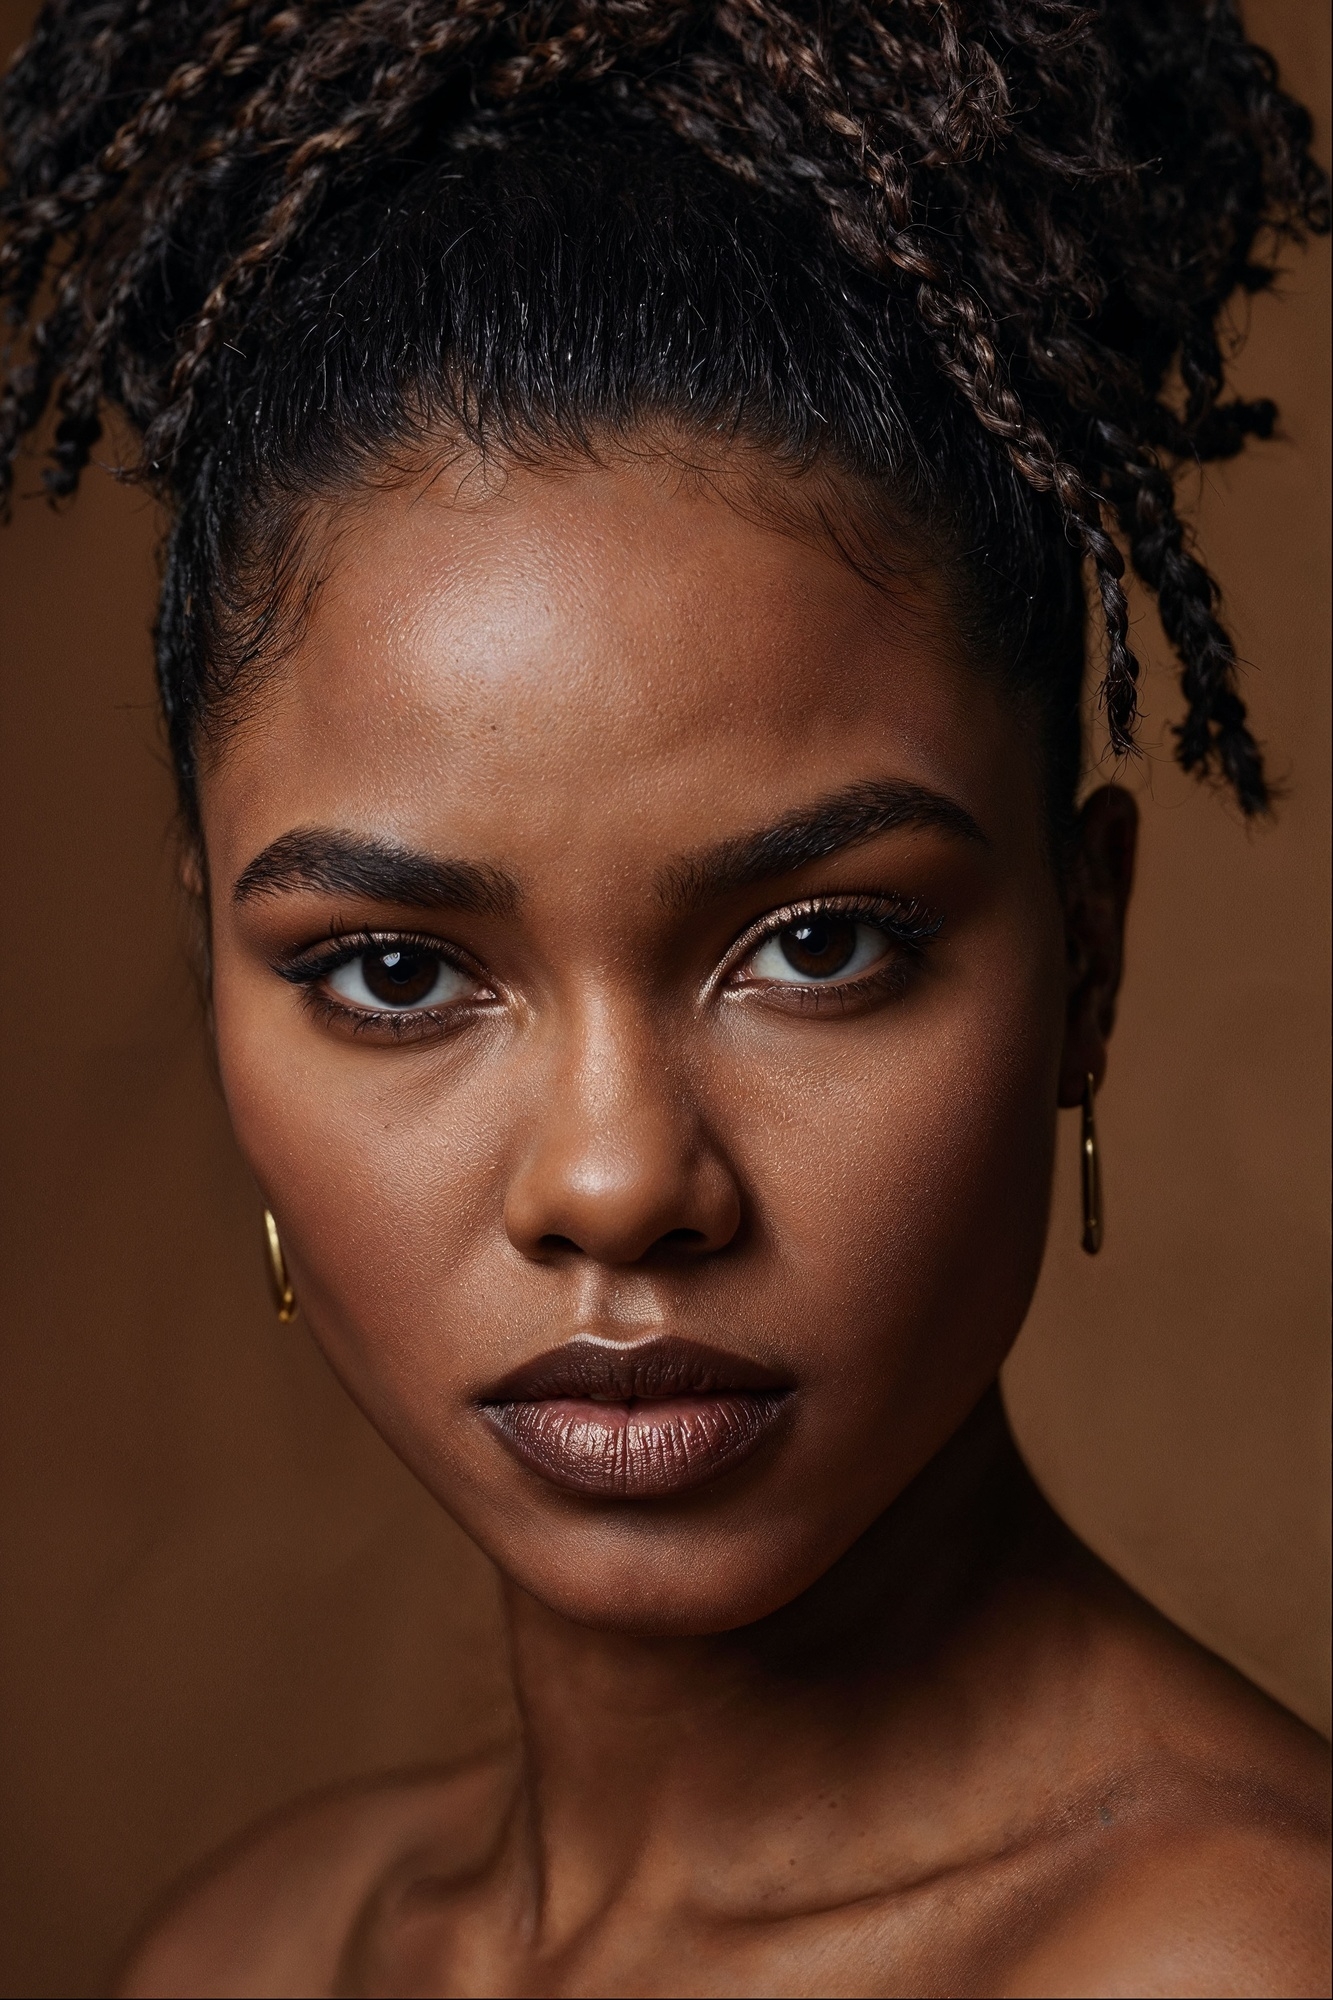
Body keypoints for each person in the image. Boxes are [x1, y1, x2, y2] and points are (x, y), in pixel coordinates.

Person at [2, 3, 1329, 1993]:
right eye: (394, 972)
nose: (617, 1185)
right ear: (214, 983)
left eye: (819, 944)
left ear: (1088, 957)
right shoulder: (245, 1956)